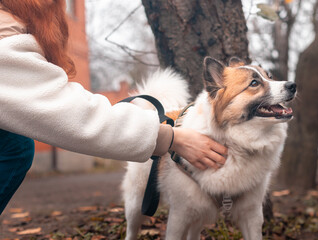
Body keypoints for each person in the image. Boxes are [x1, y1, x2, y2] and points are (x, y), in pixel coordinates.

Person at [0, 0, 227, 214]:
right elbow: (69, 113)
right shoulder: (5, 32)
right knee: (15, 147)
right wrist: (172, 138)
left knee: (15, 145)